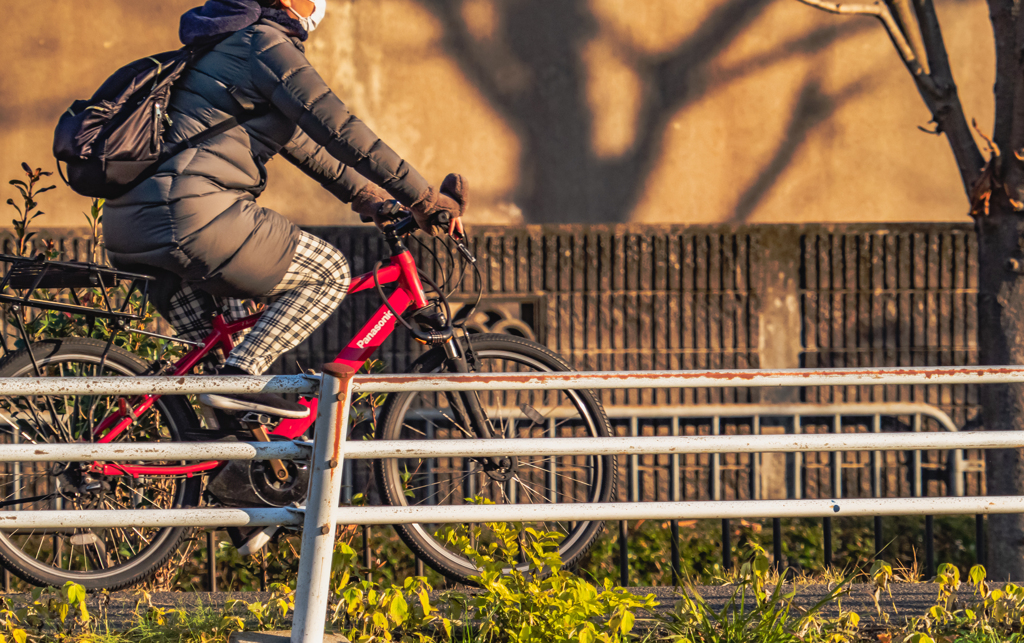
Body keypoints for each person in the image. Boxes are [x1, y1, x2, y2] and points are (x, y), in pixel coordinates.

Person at [102, 0, 467, 419]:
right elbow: (339, 128)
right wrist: (424, 199)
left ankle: (232, 472)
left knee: (221, 386)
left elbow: (303, 143)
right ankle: (242, 376)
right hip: (189, 218)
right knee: (328, 273)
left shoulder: (223, 47)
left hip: (131, 225)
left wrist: (369, 199)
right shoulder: (265, 44)